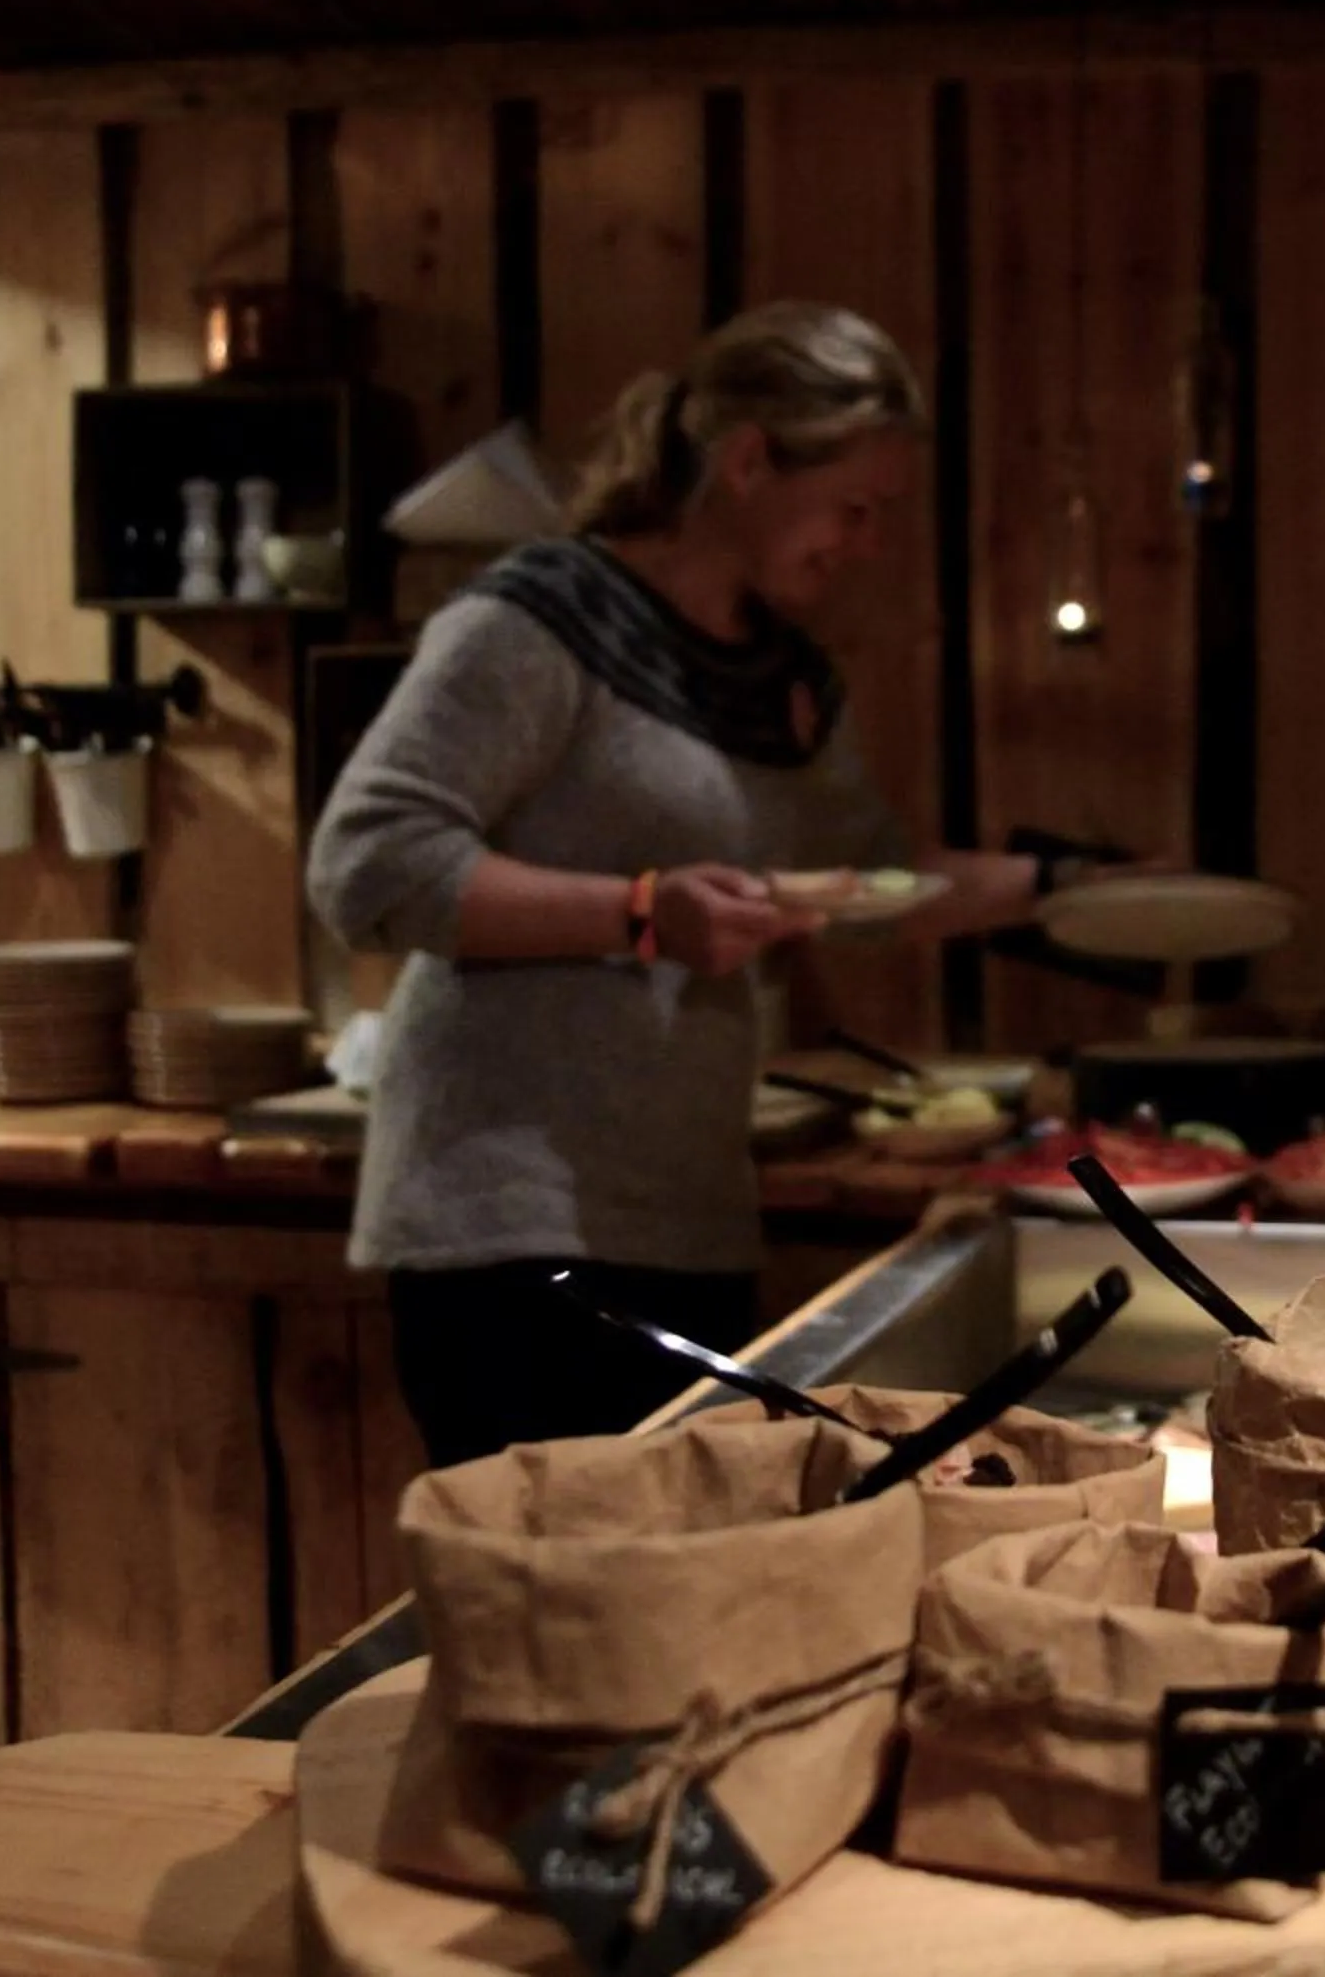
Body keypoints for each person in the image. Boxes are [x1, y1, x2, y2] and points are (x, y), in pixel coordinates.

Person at [309, 300, 1086, 1468]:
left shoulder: (785, 678)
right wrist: (637, 912)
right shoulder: (539, 619)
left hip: (686, 1215)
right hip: (508, 1228)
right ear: (748, 462)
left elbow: (867, 885)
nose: (867, 542)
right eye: (854, 507)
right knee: (564, 1611)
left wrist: (1073, 888)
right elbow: (367, 863)